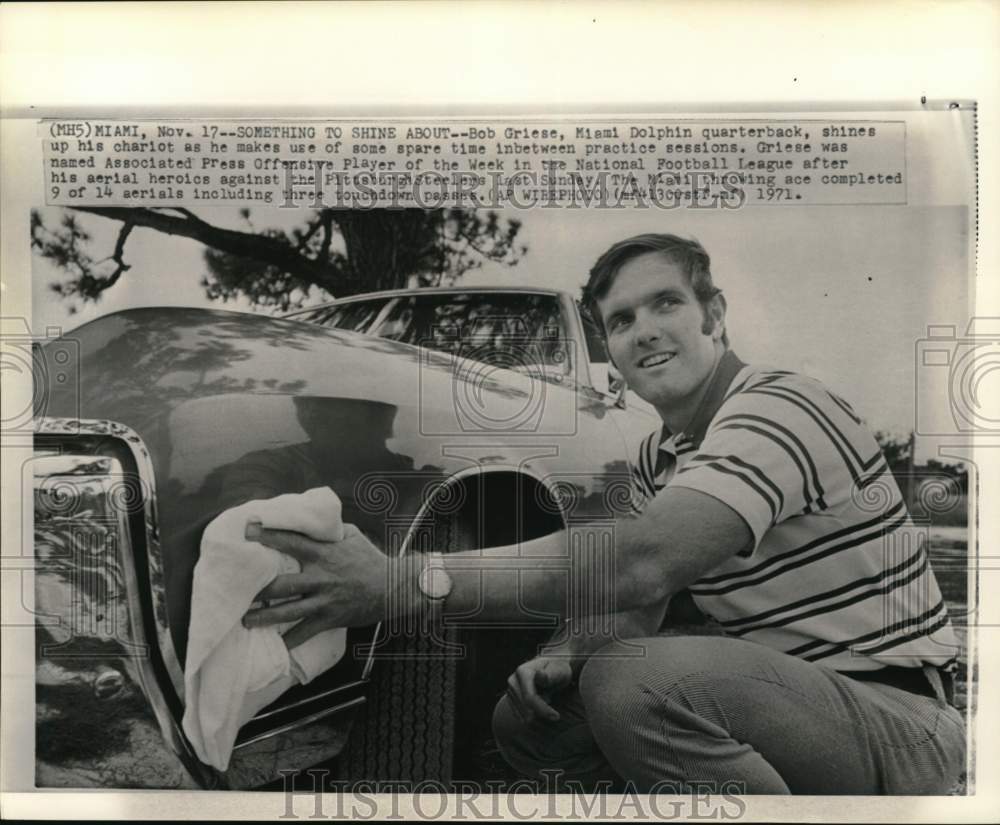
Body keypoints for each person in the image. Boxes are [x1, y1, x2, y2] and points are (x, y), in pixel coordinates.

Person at [242, 233, 965, 794]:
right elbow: (640, 599)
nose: (644, 329)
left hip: (902, 720)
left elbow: (646, 557)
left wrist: (405, 582)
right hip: (796, 704)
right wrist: (565, 650)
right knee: (530, 723)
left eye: (666, 304)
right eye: (621, 320)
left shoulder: (779, 403)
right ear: (612, 353)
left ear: (714, 315)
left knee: (634, 682)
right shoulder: (661, 452)